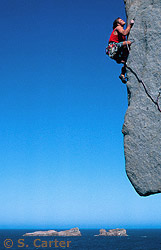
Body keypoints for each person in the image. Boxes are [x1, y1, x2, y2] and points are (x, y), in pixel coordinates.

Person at [106, 18, 134, 83]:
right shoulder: (118, 27)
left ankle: (122, 74)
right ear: (118, 23)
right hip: (113, 47)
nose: (123, 20)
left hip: (115, 51)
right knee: (128, 43)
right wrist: (130, 25)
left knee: (126, 61)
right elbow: (125, 33)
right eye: (121, 20)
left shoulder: (121, 35)